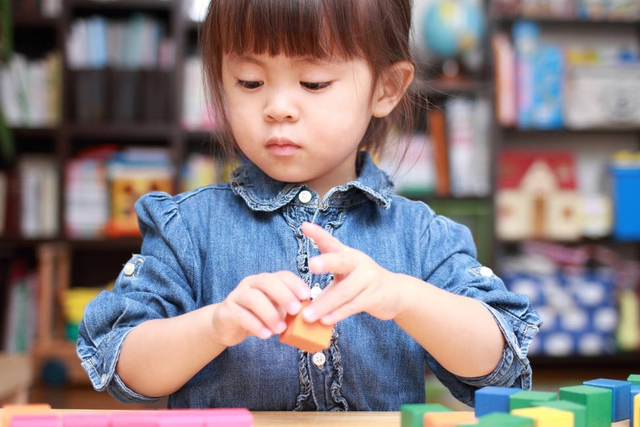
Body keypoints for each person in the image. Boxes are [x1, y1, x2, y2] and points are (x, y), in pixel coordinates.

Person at [77, 0, 541, 411]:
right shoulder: (188, 228)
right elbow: (123, 368)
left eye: (314, 82)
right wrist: (214, 325)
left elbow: (498, 365)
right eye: (250, 81)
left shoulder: (419, 236)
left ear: (386, 88)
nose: (278, 107)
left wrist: (402, 296)